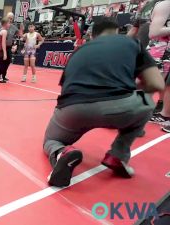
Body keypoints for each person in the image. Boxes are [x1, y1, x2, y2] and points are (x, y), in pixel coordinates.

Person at [43, 19, 164, 187]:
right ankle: (118, 154)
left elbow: (65, 89)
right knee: (147, 102)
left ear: (93, 35)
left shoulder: (78, 52)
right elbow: (157, 84)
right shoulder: (132, 44)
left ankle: (62, 152)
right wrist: (129, 87)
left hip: (73, 109)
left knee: (51, 140)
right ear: (117, 31)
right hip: (120, 107)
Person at [147, 0, 170, 132]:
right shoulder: (166, 4)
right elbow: (154, 32)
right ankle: (129, 121)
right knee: (148, 89)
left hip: (165, 53)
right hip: (159, 53)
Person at [0, 12, 23, 83]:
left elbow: (20, 35)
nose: (10, 20)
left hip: (8, 47)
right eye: (9, 18)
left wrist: (21, 29)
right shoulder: (0, 25)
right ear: (6, 17)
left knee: (7, 62)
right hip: (1, 47)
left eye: (11, 18)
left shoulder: (14, 27)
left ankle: (3, 76)